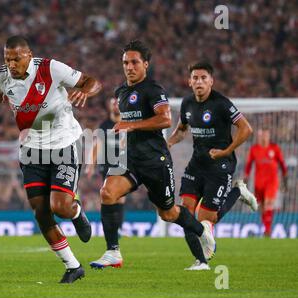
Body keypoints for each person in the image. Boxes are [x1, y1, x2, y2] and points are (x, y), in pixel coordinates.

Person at [0, 35, 102, 283]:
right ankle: (73, 266)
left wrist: (86, 91)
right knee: (41, 213)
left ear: (29, 55)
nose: (11, 63)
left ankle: (76, 214)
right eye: (7, 58)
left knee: (60, 206)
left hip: (64, 144)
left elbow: (91, 81)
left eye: (16, 58)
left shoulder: (50, 68)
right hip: (31, 150)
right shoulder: (0, 76)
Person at [89, 40, 216, 270]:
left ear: (145, 64)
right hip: (131, 158)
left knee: (168, 213)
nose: (129, 67)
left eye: (134, 62)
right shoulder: (121, 92)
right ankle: (112, 252)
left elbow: (165, 119)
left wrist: (132, 125)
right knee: (107, 192)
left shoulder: (153, 90)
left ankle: (201, 229)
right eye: (125, 62)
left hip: (155, 160)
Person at [168, 61, 258, 270]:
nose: (199, 81)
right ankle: (201, 261)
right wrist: (169, 142)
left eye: (203, 78)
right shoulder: (187, 103)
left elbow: (246, 129)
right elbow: (182, 129)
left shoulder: (221, 104)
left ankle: (237, 191)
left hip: (220, 166)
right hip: (196, 165)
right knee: (186, 215)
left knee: (207, 220)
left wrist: (226, 151)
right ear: (189, 82)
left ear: (211, 81)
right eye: (195, 78)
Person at [85, 98, 126, 268]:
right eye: (113, 103)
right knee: (109, 196)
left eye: (118, 102)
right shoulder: (104, 125)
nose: (115, 105)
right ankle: (115, 232)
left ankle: (118, 229)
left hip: (123, 164)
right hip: (107, 165)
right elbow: (97, 144)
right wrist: (90, 165)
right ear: (110, 106)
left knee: (120, 198)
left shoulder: (127, 123)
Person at [244, 128, 287, 237]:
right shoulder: (254, 149)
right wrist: (245, 179)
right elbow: (248, 166)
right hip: (258, 183)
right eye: (262, 135)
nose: (264, 137)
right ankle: (266, 228)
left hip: (272, 182)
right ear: (259, 136)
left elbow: (282, 165)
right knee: (262, 207)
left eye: (266, 135)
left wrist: (285, 180)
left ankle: (267, 231)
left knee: (269, 203)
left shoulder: (275, 148)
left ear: (269, 136)